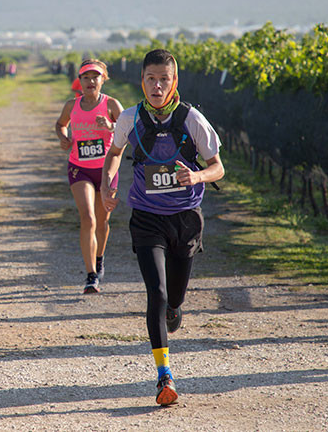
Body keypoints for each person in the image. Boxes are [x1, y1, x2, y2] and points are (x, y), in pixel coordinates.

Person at [100, 49, 224, 406]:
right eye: (151, 79)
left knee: (175, 298)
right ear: (142, 80)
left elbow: (219, 168)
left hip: (185, 218)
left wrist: (196, 174)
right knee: (156, 292)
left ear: (175, 83)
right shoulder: (129, 118)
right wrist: (109, 182)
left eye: (164, 80)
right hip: (147, 217)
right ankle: (164, 375)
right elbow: (115, 154)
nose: (157, 86)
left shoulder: (192, 119)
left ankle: (174, 309)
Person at [54, 59, 124, 294]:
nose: (90, 81)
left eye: (95, 77)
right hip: (79, 168)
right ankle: (91, 275)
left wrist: (111, 127)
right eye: (86, 77)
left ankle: (100, 257)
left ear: (103, 79)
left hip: (106, 170)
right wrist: (63, 138)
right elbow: (61, 124)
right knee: (88, 218)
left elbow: (129, 131)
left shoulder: (112, 104)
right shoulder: (71, 105)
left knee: (103, 222)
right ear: (80, 81)